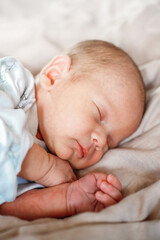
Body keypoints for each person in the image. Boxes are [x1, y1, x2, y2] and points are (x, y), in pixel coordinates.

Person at [0, 40, 145, 220]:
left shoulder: (54, 170)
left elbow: (6, 208)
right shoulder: (14, 82)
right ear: (54, 75)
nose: (100, 142)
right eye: (99, 114)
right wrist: (46, 167)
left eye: (110, 143)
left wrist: (67, 198)